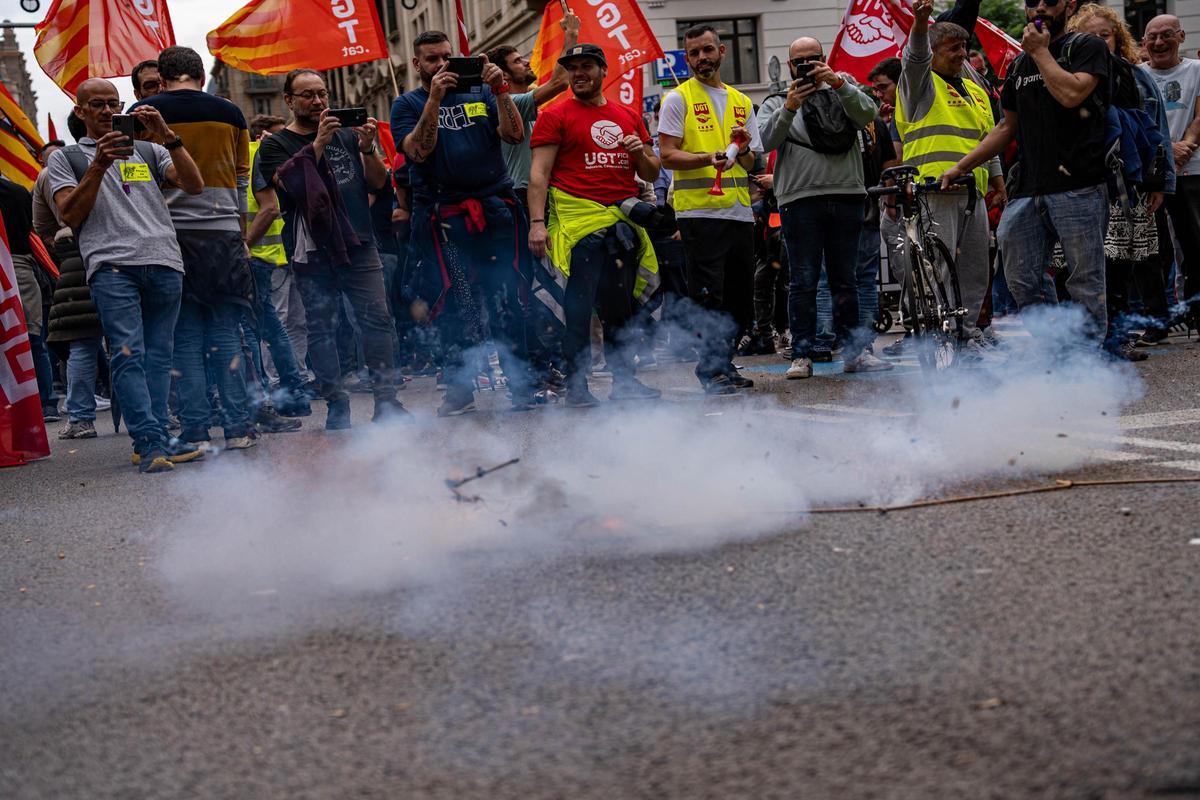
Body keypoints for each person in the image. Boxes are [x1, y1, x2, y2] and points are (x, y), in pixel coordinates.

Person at [46, 77, 205, 472]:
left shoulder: (150, 149)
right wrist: (99, 164)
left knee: (158, 357)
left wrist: (168, 136)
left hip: (165, 262)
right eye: (96, 104)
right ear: (80, 112)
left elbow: (194, 184)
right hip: (112, 267)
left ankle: (155, 437)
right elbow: (69, 214)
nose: (106, 111)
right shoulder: (66, 159)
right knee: (128, 354)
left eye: (113, 103)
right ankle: (149, 441)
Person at [941, 0, 1112, 341]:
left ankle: (1089, 366)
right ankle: (1054, 348)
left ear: (1070, 5)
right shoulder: (1020, 62)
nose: (1041, 7)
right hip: (1029, 188)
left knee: (1084, 281)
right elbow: (1006, 127)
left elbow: (1072, 94)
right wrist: (960, 167)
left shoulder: (1086, 46)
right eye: (1033, 1)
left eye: (1051, 1)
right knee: (1020, 276)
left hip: (1079, 185)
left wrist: (1041, 53)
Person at [131, 46, 272, 449]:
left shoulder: (146, 114)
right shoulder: (230, 112)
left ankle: (194, 428)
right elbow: (243, 176)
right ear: (197, 74)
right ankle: (237, 428)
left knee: (186, 337)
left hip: (171, 236)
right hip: (222, 234)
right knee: (227, 334)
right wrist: (239, 232)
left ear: (163, 76)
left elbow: (138, 176)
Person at [392, 31, 533, 417]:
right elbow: (418, 151)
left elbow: (515, 134)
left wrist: (500, 90)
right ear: (417, 64)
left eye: (446, 57)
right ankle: (459, 390)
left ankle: (522, 386)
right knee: (453, 303)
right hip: (445, 219)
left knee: (506, 296)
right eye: (432, 59)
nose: (441, 65)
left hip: (494, 211)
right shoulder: (407, 104)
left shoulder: (482, 94)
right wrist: (435, 98)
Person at [258, 69, 408, 429]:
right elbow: (290, 188)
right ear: (289, 100)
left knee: (377, 318)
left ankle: (386, 400)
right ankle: (336, 404)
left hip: (359, 241)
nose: (318, 101)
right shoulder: (275, 144)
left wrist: (368, 148)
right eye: (307, 95)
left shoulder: (345, 134)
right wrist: (319, 145)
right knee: (322, 326)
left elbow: (377, 182)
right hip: (312, 249)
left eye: (322, 93)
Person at [527, 42, 663, 406]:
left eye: (587, 66)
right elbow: (538, 174)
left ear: (603, 71)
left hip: (621, 228)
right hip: (578, 228)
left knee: (620, 310)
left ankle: (626, 384)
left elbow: (650, 170)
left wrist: (639, 152)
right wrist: (537, 224)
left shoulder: (628, 115)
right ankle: (576, 388)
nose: (579, 74)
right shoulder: (554, 115)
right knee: (577, 310)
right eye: (573, 68)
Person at [759, 37, 893, 379]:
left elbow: (870, 114)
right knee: (803, 281)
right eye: (799, 60)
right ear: (790, 67)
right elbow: (765, 142)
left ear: (824, 58)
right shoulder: (776, 101)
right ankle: (801, 355)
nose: (806, 65)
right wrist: (789, 107)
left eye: (813, 58)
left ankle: (855, 353)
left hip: (847, 194)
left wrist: (837, 82)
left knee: (845, 280)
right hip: (798, 200)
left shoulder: (842, 88)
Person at [657, 24, 764, 395]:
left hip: (738, 213)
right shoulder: (678, 99)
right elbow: (667, 154)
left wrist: (746, 151)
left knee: (738, 299)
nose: (701, 58)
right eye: (694, 53)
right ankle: (712, 370)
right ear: (686, 58)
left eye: (707, 50)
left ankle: (724, 362)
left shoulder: (742, 102)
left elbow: (753, 165)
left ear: (722, 51)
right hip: (700, 214)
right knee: (707, 297)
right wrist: (706, 156)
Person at [896, 0, 1006, 358]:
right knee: (939, 270)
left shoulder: (975, 91)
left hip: (971, 192)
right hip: (933, 191)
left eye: (964, 48)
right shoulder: (920, 84)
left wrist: (997, 180)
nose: (961, 54)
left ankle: (967, 333)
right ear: (933, 52)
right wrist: (921, 24)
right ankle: (940, 336)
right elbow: (914, 58)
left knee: (975, 270)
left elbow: (989, 138)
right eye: (952, 48)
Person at [1071, 4, 1173, 359]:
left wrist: (1159, 181)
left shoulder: (1133, 75)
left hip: (1126, 186)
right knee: (1082, 266)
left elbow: (1153, 132)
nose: (1099, 41)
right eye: (1090, 36)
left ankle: (1116, 337)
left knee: (1121, 265)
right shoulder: (1065, 73)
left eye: (1105, 34)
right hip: (1080, 184)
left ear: (1117, 38)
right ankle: (1084, 340)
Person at [33, 139, 105, 439]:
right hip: (112, 249)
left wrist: (61, 241)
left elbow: (41, 225)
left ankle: (80, 417)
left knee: (82, 341)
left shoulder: (47, 174)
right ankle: (157, 413)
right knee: (133, 339)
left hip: (73, 255)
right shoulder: (117, 156)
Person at [244, 113, 311, 416]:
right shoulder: (255, 155)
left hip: (279, 256)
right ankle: (282, 386)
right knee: (274, 326)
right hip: (263, 259)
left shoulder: (263, 157)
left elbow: (276, 205)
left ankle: (293, 382)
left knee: (287, 324)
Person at [1141, 14, 1200, 329]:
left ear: (1181, 36)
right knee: (1152, 250)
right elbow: (1135, 123)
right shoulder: (1136, 76)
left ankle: (1195, 314)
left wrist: (1184, 147)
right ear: (1143, 42)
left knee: (1195, 246)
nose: (1159, 42)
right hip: (1149, 178)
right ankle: (1156, 321)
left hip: (1191, 172)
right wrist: (1166, 151)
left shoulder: (1197, 71)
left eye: (1166, 35)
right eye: (1152, 37)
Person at [868, 57, 901, 123]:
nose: (878, 95)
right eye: (875, 90)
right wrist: (882, 124)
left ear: (900, 83)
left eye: (883, 87)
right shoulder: (888, 117)